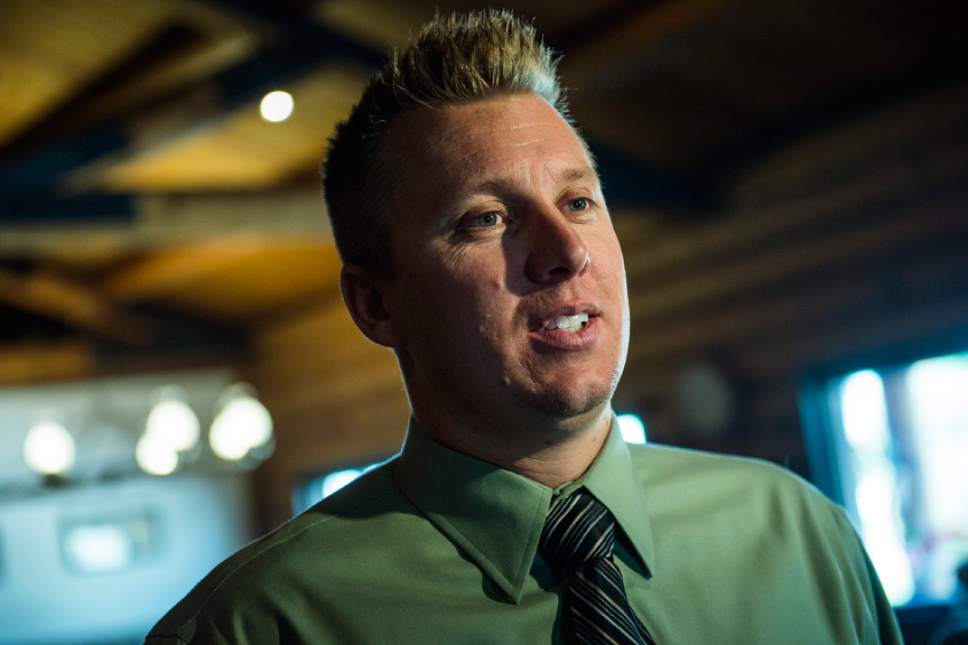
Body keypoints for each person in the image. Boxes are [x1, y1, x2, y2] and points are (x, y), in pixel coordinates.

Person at [147, 10, 903, 644]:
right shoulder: (255, 625)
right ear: (377, 304)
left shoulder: (803, 536)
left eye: (578, 203)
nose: (566, 250)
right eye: (488, 218)